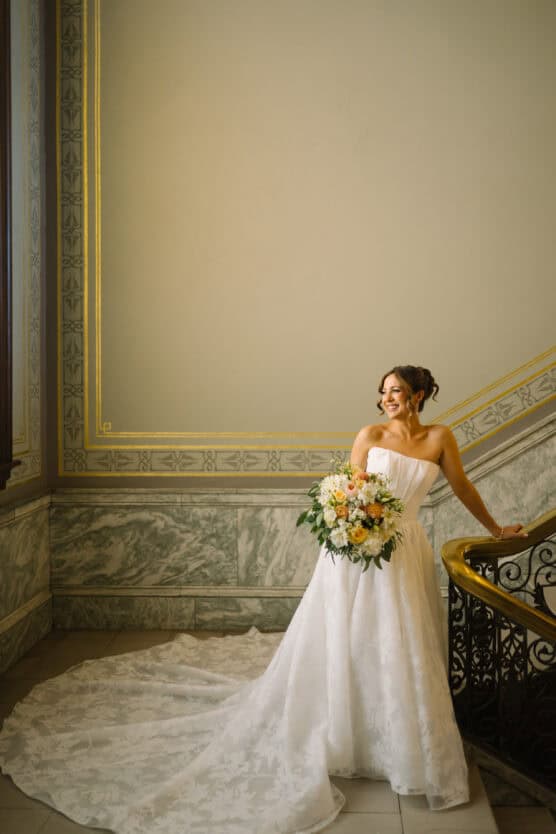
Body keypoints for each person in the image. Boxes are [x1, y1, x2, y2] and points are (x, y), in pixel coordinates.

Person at [0, 365, 526, 834]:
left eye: (398, 392)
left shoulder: (439, 437)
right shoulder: (368, 435)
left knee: (399, 638)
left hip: (406, 547)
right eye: (384, 392)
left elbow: (462, 487)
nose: (389, 399)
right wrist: (351, 525)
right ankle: (343, 727)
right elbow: (351, 493)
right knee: (352, 633)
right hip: (360, 549)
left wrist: (497, 526)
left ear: (419, 395)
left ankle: (398, 738)